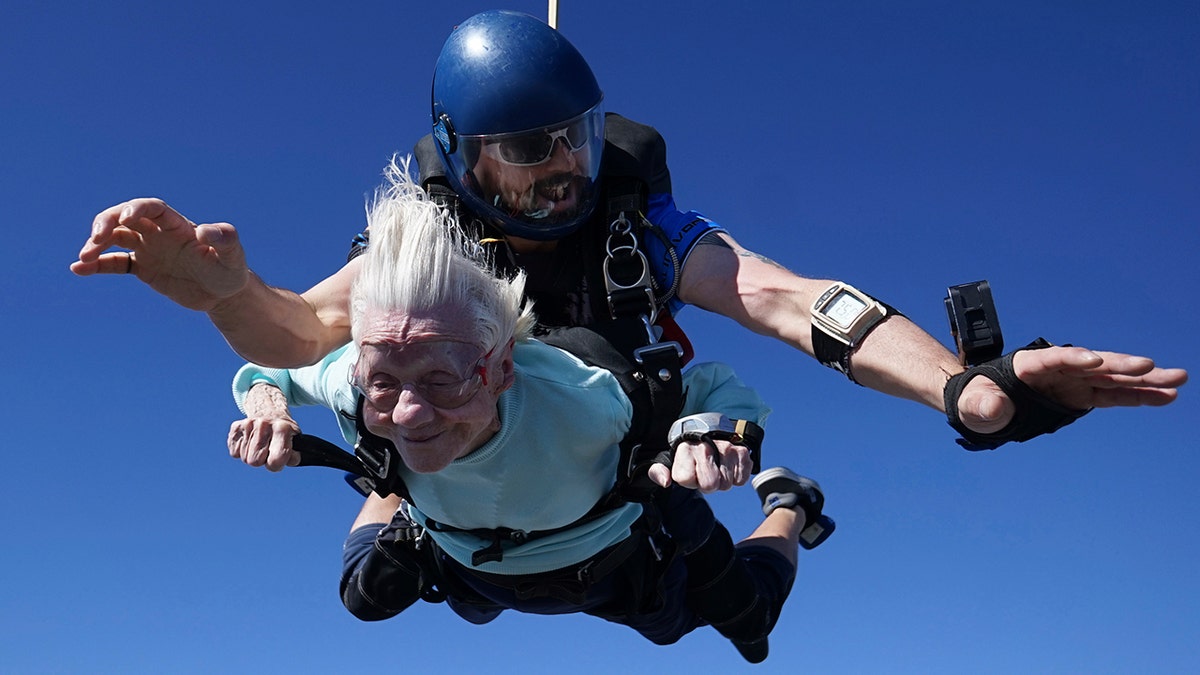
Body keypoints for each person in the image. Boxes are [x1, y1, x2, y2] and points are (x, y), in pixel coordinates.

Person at [73, 11, 1185, 465]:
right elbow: (303, 330)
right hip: (465, 467)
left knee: (692, 575)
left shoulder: (633, 225)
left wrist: (968, 392)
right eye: (527, 150)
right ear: (463, 158)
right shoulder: (432, 235)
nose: (562, 168)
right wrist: (220, 290)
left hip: (630, 478)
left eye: (576, 138)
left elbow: (794, 302)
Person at [228, 162, 829, 662]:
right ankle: (404, 484)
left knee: (750, 624)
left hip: (613, 558)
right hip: (468, 559)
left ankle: (791, 506)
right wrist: (268, 407)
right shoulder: (356, 376)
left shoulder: (588, 397)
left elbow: (720, 390)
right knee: (365, 596)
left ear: (502, 370)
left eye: (443, 379)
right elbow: (268, 368)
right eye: (383, 380)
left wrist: (708, 435)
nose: (410, 409)